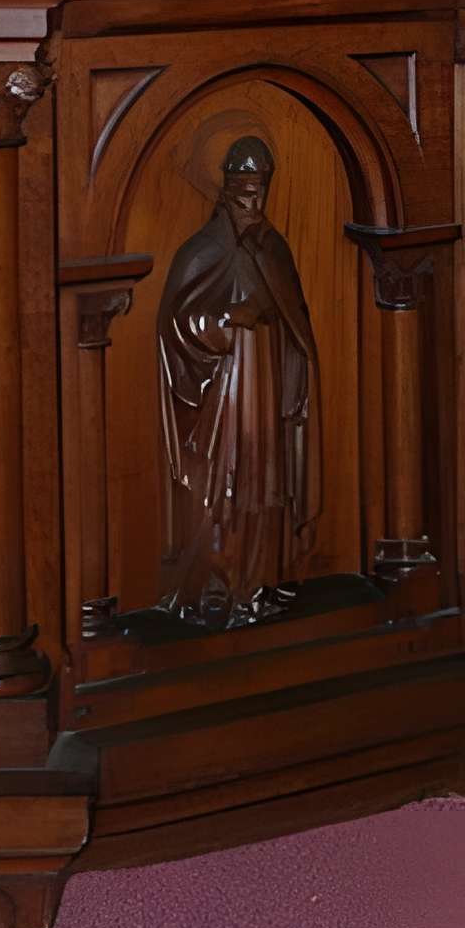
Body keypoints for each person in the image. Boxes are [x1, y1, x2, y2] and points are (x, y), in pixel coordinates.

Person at [157, 136, 323, 626]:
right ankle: (219, 586)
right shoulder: (202, 250)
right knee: (227, 487)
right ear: (226, 190)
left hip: (265, 384)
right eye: (243, 193)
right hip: (224, 393)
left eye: (260, 192)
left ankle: (260, 581)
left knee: (264, 484)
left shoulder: (273, 247)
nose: (254, 204)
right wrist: (230, 319)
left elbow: (295, 319)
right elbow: (176, 324)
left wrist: (269, 314)